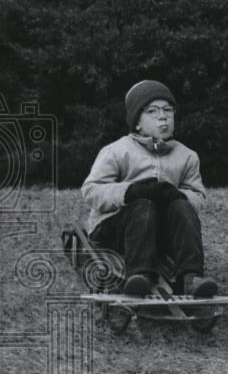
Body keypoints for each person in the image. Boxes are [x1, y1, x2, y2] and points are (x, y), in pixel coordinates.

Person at [81, 80, 217, 298]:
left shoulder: (187, 156)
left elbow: (199, 196)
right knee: (143, 206)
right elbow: (90, 190)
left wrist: (179, 195)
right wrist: (129, 192)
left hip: (159, 232)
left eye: (168, 110)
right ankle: (140, 276)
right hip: (116, 228)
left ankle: (191, 277)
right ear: (137, 123)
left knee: (182, 207)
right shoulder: (117, 151)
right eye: (152, 111)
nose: (162, 116)